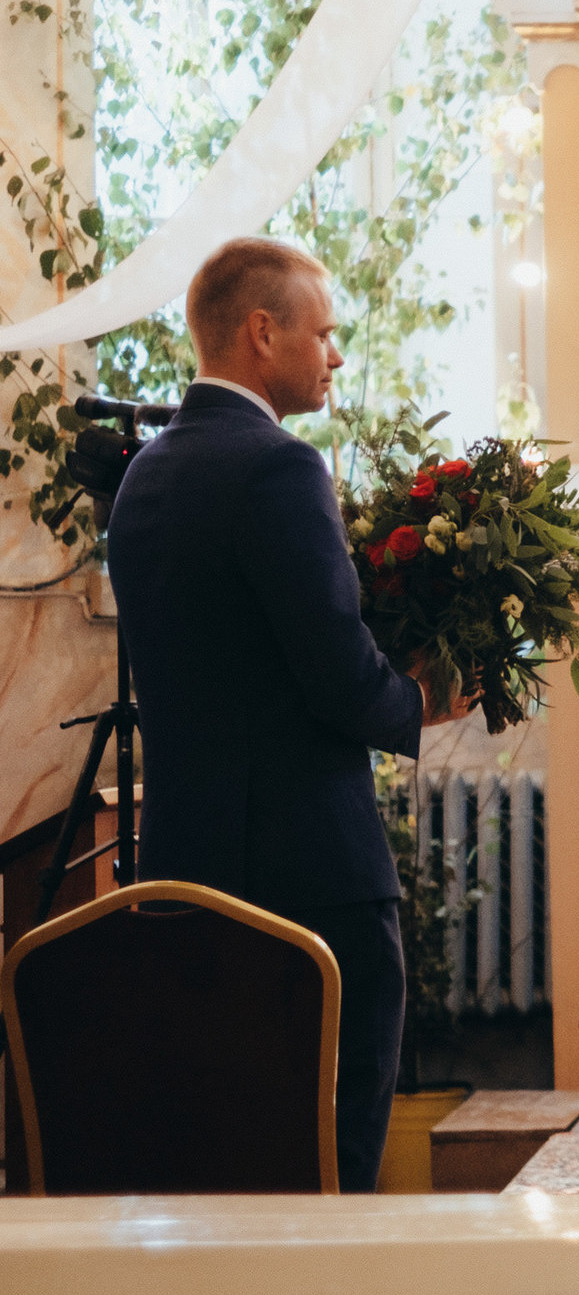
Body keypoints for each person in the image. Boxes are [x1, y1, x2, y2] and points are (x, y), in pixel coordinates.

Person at [108, 236, 472, 1193]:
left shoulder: (143, 478)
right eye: (324, 332)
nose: (336, 355)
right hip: (311, 877)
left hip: (185, 871)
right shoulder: (278, 467)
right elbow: (337, 675)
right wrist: (427, 699)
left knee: (224, 1156)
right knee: (332, 1161)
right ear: (262, 334)